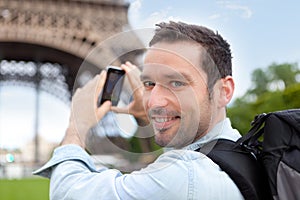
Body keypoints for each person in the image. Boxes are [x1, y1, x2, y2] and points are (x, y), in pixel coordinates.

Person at [34, 21, 244, 199]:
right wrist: (149, 121)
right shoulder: (241, 155)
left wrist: (76, 127)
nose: (154, 102)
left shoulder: (184, 176)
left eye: (177, 83)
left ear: (223, 91)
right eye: (149, 84)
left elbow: (67, 192)